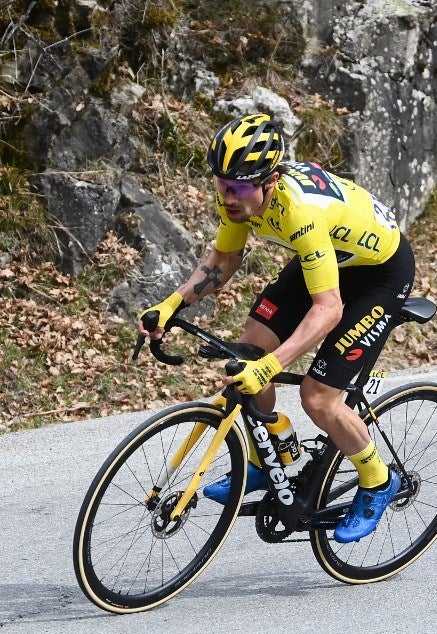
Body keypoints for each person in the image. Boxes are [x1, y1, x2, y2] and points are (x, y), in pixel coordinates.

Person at [137, 113, 415, 541]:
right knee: (247, 351)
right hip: (332, 257)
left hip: (379, 275)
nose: (229, 197)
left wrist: (272, 366)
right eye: (222, 184)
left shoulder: (299, 212)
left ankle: (378, 480)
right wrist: (172, 305)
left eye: (241, 188)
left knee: (318, 398)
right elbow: (224, 260)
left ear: (271, 180)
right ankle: (273, 459)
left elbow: (328, 310)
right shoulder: (238, 194)